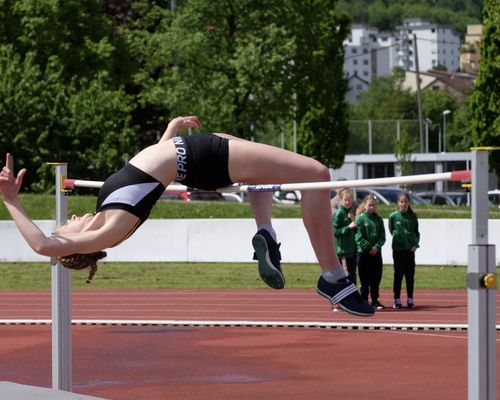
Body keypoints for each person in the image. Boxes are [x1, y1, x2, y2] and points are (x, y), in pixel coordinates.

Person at [0, 115, 374, 316]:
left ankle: (267, 234)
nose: (67, 221)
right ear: (72, 245)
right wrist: (11, 201)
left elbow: (149, 174)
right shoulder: (109, 230)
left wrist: (168, 133)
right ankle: (334, 277)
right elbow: (42, 244)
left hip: (187, 156)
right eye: (65, 227)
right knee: (317, 174)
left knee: (270, 171)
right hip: (198, 158)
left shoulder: (107, 212)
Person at [388, 191, 420, 309]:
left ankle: (410, 299)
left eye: (406, 202)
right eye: (401, 202)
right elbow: (392, 230)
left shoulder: (413, 216)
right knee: (398, 275)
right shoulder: (393, 216)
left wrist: (415, 245)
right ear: (398, 203)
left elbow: (417, 233)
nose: (404, 204)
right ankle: (397, 299)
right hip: (398, 250)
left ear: (409, 203)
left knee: (410, 276)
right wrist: (398, 237)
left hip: (409, 251)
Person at [355, 194, 386, 310]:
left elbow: (382, 236)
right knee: (364, 278)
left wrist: (376, 247)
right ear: (364, 205)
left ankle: (374, 300)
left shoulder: (378, 219)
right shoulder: (360, 219)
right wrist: (368, 248)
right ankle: (363, 300)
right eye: (369, 205)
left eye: (373, 205)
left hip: (376, 253)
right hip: (363, 253)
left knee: (376, 277)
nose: (372, 207)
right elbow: (358, 236)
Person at [333, 188, 358, 285]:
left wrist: (354, 224)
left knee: (352, 275)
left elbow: (355, 230)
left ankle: (354, 296)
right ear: (341, 200)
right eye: (345, 200)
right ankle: (345, 297)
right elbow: (335, 231)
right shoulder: (339, 213)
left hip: (351, 249)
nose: (347, 202)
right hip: (343, 250)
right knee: (344, 276)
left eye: (349, 200)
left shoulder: (351, 211)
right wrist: (348, 227)